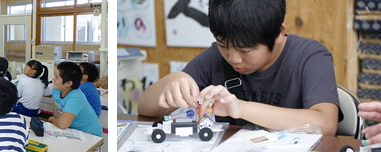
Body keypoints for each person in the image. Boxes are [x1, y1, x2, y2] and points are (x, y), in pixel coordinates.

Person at [137, 0, 340, 135]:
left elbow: (326, 124)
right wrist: (171, 81)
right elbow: (144, 109)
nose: (233, 59)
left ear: (278, 33)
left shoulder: (310, 56)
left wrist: (241, 108)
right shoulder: (214, 58)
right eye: (223, 45)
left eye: (245, 51)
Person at [48, 62, 102, 137]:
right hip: (70, 129)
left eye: (56, 77)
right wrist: (55, 120)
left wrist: (51, 119)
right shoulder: (56, 89)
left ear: (69, 83)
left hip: (89, 134)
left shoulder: (76, 96)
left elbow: (62, 123)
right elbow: (57, 116)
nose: (53, 79)